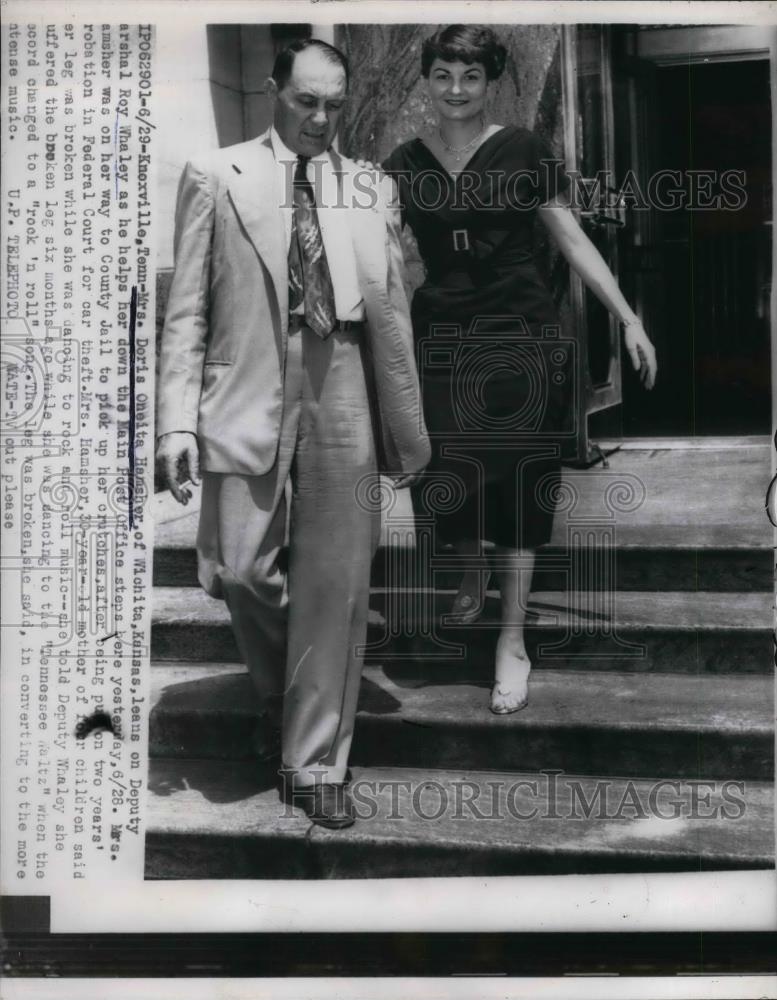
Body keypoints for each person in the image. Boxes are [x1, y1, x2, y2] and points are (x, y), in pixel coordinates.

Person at [156, 38, 429, 829]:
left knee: (336, 584)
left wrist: (403, 422)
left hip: (342, 377)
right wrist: (175, 419)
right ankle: (286, 697)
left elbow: (392, 310)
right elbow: (187, 314)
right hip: (247, 382)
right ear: (275, 91)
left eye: (334, 105)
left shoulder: (369, 184)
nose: (320, 118)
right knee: (239, 569)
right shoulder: (218, 173)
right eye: (306, 101)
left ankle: (313, 764)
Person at [382, 25, 657, 714]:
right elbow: (375, 249)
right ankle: (471, 564)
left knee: (520, 484)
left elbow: (569, 239)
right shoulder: (403, 162)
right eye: (442, 74)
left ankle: (511, 638)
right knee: (449, 470)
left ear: (492, 81)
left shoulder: (524, 150)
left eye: (469, 77)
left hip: (522, 336)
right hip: (441, 337)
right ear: (426, 78)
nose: (455, 90)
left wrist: (628, 318)